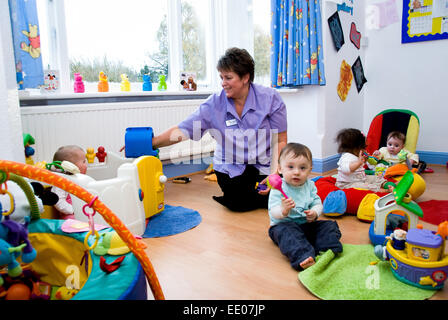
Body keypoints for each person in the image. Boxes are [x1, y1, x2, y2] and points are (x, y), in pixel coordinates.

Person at [145, 47, 288, 212]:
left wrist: (274, 173)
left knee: (281, 193)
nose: (223, 83)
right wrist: (151, 143)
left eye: (228, 77)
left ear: (245, 78)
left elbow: (280, 139)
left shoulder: (270, 98)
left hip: (264, 163)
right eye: (221, 77)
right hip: (231, 166)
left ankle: (261, 194)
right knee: (239, 204)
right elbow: (183, 130)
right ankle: (239, 197)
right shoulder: (213, 104)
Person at [268, 143, 343, 271]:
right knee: (288, 233)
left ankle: (326, 248)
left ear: (310, 169)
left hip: (305, 225)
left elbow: (317, 203)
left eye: (302, 168)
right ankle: (303, 255)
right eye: (290, 167)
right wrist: (283, 210)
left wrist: (314, 212)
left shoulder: (310, 186)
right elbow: (273, 212)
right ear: (280, 169)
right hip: (283, 226)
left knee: (329, 225)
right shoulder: (278, 188)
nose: (296, 172)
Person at [335, 128, 393, 192]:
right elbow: (347, 169)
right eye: (363, 147)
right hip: (347, 184)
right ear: (355, 148)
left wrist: (364, 160)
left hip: (361, 179)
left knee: (376, 177)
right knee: (367, 187)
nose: (365, 150)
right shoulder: (346, 157)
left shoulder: (356, 155)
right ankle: (384, 191)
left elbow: (360, 167)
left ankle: (385, 184)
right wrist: (359, 163)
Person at [47, 145, 88, 219]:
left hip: (82, 211)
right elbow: (58, 201)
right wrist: (74, 210)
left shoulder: (80, 179)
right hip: (70, 215)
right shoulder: (61, 181)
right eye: (84, 161)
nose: (86, 165)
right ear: (71, 166)